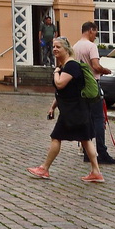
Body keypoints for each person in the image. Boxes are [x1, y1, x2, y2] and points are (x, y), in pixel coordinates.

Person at [27, 37, 104, 183]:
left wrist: (56, 72)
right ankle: (96, 172)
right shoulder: (67, 66)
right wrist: (53, 106)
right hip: (76, 108)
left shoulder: (70, 66)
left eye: (58, 47)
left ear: (66, 49)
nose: (55, 49)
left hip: (73, 110)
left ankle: (44, 169)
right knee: (85, 139)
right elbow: (63, 92)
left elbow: (61, 84)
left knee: (57, 136)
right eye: (54, 46)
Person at [74, 21, 115, 165]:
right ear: (90, 30)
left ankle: (87, 152)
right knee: (99, 120)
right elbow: (96, 66)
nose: (95, 36)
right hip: (93, 84)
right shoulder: (91, 46)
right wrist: (106, 70)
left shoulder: (75, 47)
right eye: (95, 33)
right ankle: (102, 152)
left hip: (81, 87)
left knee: (87, 120)